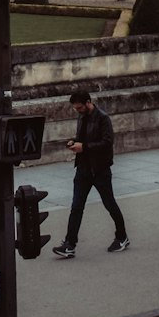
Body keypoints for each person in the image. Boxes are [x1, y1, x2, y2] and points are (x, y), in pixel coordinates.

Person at [52, 89, 130, 258]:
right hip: (83, 169)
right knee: (76, 207)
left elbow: (107, 143)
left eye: (79, 107)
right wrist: (74, 141)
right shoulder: (82, 116)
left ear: (88, 102)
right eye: (75, 108)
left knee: (110, 204)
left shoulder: (103, 118)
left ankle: (122, 237)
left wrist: (84, 147)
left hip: (100, 170)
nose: (77, 111)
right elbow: (82, 137)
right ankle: (69, 244)